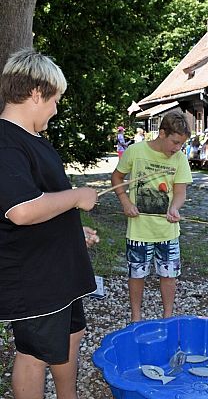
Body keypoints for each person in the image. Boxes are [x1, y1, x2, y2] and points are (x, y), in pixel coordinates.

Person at [0, 48, 100, 399]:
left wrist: (72, 230)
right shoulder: (5, 141)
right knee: (34, 355)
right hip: (34, 278)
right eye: (55, 99)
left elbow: (43, 201)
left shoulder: (34, 139)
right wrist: (76, 197)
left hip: (58, 269)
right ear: (36, 93)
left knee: (72, 336)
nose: (56, 109)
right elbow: (21, 210)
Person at [111, 111, 193, 322]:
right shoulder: (136, 151)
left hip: (168, 231)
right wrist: (125, 202)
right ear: (162, 133)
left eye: (181, 145)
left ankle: (167, 318)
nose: (177, 148)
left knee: (169, 275)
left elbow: (181, 191)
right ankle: (136, 317)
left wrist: (175, 207)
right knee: (137, 275)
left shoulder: (180, 159)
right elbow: (117, 177)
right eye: (174, 142)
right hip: (139, 231)